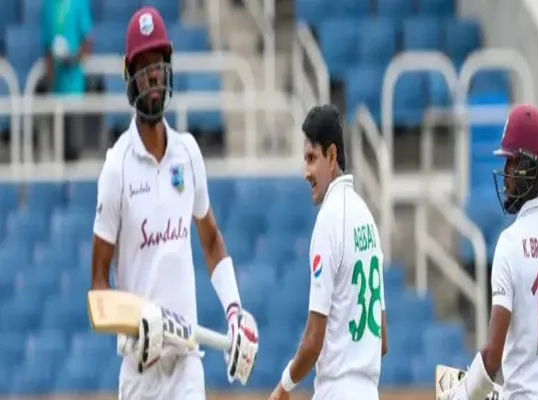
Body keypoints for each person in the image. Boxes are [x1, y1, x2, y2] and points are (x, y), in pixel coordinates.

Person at [90, 7, 258, 399]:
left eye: (158, 65)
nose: (152, 77)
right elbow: (98, 290)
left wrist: (234, 311)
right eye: (143, 67)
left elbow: (211, 241)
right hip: (140, 370)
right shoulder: (116, 168)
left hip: (186, 365)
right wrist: (134, 320)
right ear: (129, 76)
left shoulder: (188, 153)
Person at [437, 104, 538, 400]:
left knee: (453, 389)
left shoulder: (510, 243)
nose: (505, 174)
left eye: (510, 163)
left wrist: (458, 396)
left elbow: (492, 358)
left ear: (527, 168)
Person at [268, 104, 388, 400]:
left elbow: (313, 342)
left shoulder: (329, 220)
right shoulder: (367, 218)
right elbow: (382, 341)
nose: (305, 173)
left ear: (332, 156)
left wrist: (284, 386)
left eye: (312, 158)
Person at [40, 0, 93, 161]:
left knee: (73, 149)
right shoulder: (48, 6)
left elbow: (87, 42)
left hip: (74, 90)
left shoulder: (80, 3)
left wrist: (73, 59)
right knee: (57, 150)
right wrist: (50, 82)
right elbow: (46, 46)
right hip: (56, 91)